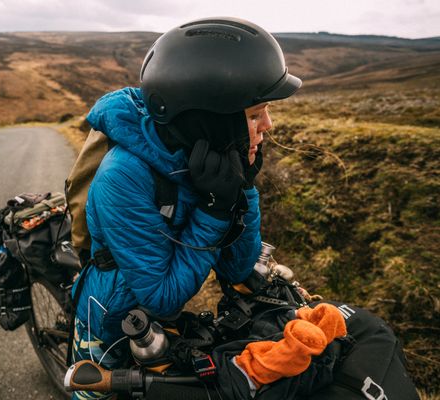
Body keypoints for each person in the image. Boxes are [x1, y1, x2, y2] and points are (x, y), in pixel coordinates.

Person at [70, 17, 302, 399]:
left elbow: (236, 267)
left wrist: (241, 191)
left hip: (164, 306)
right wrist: (214, 211)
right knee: (96, 392)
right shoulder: (123, 177)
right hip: (113, 316)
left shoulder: (207, 154)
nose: (268, 125)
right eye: (254, 114)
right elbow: (161, 295)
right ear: (208, 119)